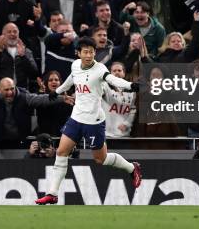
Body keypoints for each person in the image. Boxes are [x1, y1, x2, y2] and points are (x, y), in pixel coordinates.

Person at [35, 37, 142, 205]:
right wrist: (59, 91)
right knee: (61, 152)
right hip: (76, 118)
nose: (89, 55)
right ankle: (52, 193)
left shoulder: (100, 69)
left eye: (92, 52)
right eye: (85, 52)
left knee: (101, 159)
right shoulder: (75, 65)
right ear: (78, 53)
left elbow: (112, 79)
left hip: (94, 121)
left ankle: (131, 168)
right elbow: (72, 78)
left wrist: (130, 85)